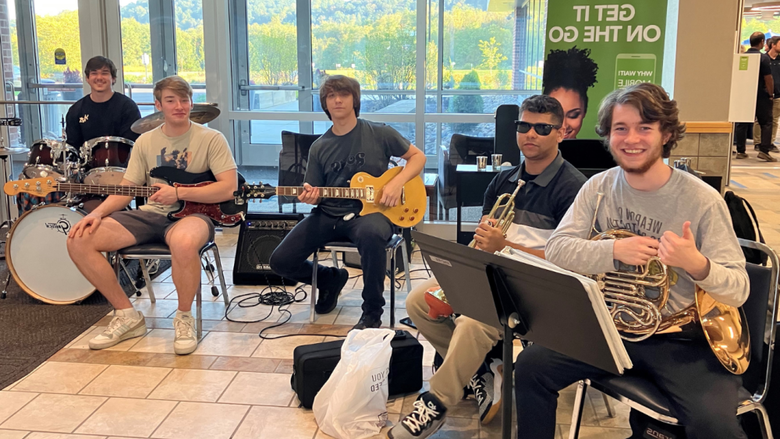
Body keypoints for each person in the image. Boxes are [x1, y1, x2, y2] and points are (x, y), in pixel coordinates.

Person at [514, 82, 750, 439]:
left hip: (680, 340)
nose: (631, 139)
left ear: (666, 134)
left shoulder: (702, 200)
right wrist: (612, 251)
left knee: (717, 428)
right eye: (620, 128)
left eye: (644, 128)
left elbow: (739, 289)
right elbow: (559, 248)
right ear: (608, 136)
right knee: (531, 367)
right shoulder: (599, 188)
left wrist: (697, 264)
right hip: (611, 331)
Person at [388, 95, 586, 439]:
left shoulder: (573, 189)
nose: (530, 134)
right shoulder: (503, 181)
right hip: (493, 276)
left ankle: (436, 402)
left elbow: (571, 262)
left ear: (561, 133)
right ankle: (482, 370)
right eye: (523, 126)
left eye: (542, 128)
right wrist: (462, 268)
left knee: (473, 323)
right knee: (418, 302)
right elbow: (484, 239)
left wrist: (505, 246)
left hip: (537, 289)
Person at [66, 75, 238, 355]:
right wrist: (97, 214)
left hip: (193, 215)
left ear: (191, 103)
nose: (179, 106)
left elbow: (229, 188)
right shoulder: (145, 142)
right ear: (158, 104)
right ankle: (127, 315)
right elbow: (127, 189)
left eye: (184, 100)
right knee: (79, 239)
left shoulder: (211, 138)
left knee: (183, 242)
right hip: (150, 215)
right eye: (171, 100)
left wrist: (179, 194)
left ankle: (184, 318)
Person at [269, 75, 426, 330]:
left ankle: (372, 312)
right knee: (280, 261)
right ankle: (330, 279)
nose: (338, 100)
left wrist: (397, 183)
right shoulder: (320, 147)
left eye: (343, 94)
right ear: (325, 104)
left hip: (372, 213)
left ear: (355, 99)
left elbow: (418, 157)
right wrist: (310, 196)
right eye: (331, 96)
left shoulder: (379, 132)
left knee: (372, 233)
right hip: (329, 215)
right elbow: (315, 191)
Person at [65, 56, 141, 148]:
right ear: (87, 78)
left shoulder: (128, 107)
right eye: (94, 73)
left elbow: (131, 144)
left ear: (113, 78)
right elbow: (73, 147)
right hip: (86, 162)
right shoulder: (76, 110)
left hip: (122, 161)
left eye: (104, 73)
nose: (99, 77)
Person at [735, 32, 777, 162]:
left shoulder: (742, 57)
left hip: (745, 94)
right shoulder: (763, 58)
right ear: (762, 42)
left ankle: (741, 151)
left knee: (742, 122)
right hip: (761, 95)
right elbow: (768, 78)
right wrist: (771, 94)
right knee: (766, 122)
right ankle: (764, 150)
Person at [542, 46, 598, 140]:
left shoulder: (593, 154)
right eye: (555, 115)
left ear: (584, 112)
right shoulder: (532, 152)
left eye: (573, 116)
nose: (563, 125)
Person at [753, 35, 780, 153]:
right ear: (773, 45)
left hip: (778, 94)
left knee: (774, 120)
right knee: (760, 120)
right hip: (764, 94)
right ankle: (758, 142)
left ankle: (770, 142)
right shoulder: (764, 58)